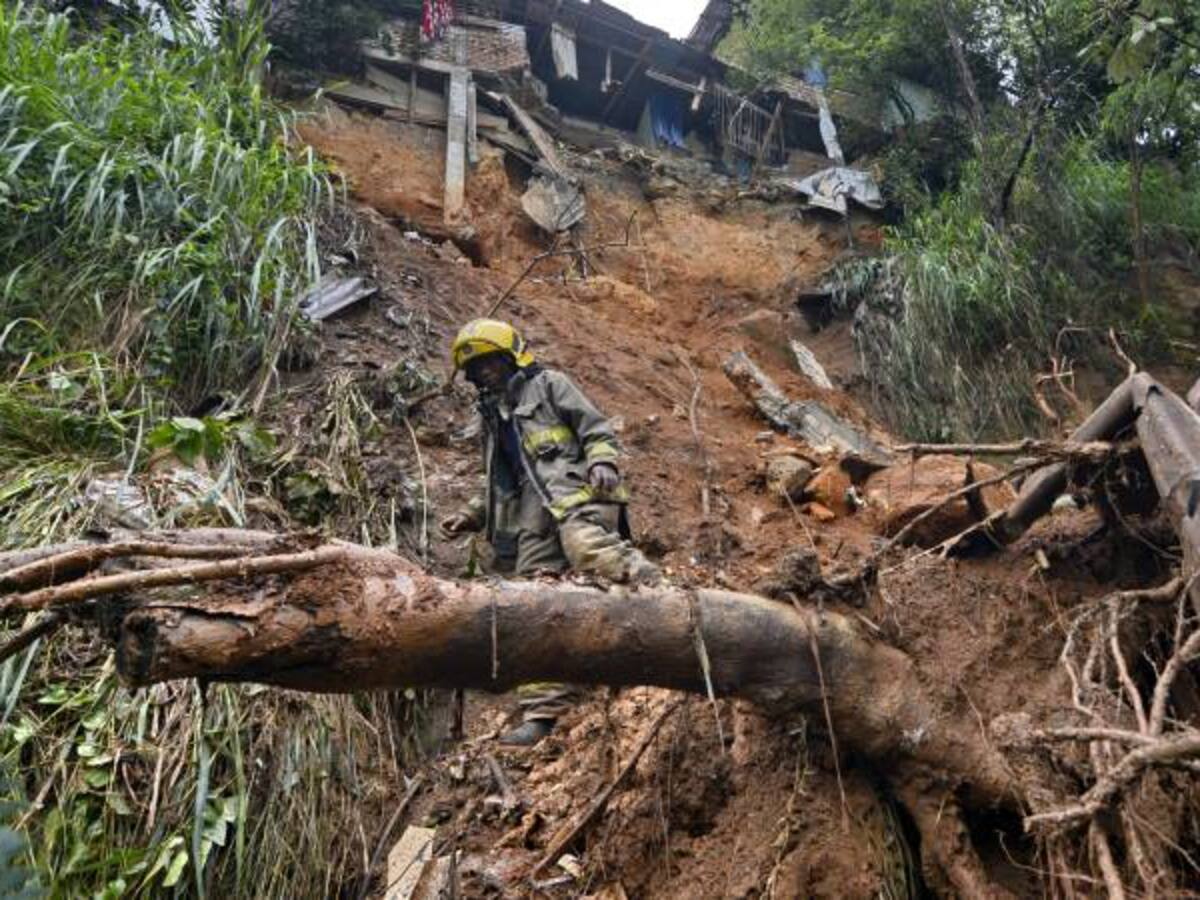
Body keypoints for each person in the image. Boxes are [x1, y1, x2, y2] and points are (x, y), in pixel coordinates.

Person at [440, 318, 661, 744]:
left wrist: (603, 462)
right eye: (478, 368)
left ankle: (660, 588)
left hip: (579, 495)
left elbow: (595, 427)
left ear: (512, 357)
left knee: (586, 547)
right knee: (533, 605)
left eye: (492, 362)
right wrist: (471, 514)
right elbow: (495, 478)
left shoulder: (550, 385)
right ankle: (545, 711)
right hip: (531, 518)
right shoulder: (492, 417)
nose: (486, 372)